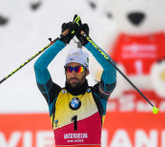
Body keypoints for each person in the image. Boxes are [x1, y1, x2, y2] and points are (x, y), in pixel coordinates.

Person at [34, 17, 117, 147]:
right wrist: (61, 42)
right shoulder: (54, 96)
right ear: (65, 71)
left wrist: (87, 43)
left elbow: (110, 69)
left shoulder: (97, 96)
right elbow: (39, 68)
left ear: (86, 72)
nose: (73, 73)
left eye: (78, 68)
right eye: (69, 68)